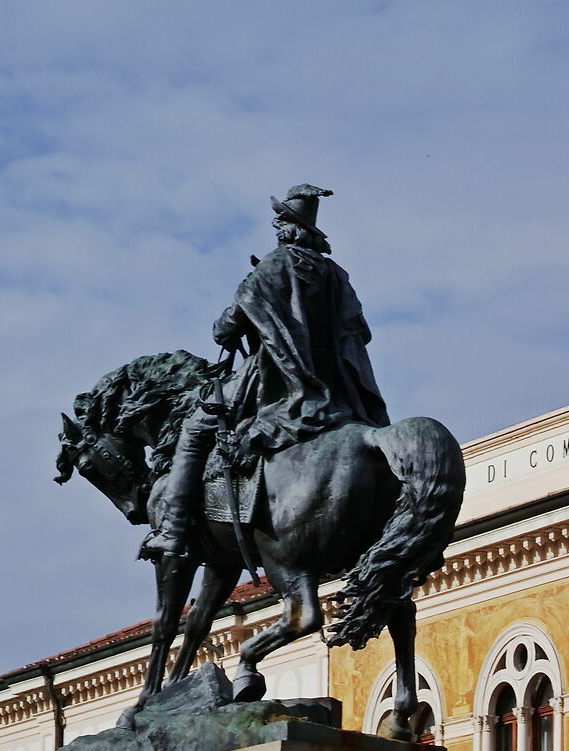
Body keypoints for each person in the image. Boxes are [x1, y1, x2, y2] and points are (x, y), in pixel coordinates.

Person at [140, 184, 390, 568]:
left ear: (293, 226)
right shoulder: (336, 275)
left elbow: (229, 326)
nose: (277, 224)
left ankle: (172, 529)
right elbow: (358, 330)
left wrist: (231, 320)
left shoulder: (277, 264)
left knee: (194, 427)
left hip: (279, 377)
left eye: (282, 218)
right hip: (337, 383)